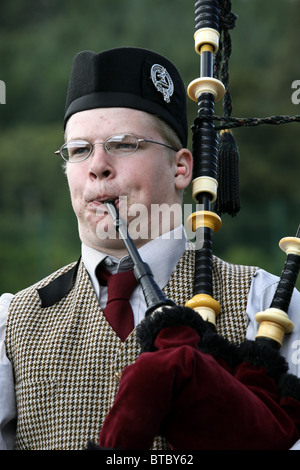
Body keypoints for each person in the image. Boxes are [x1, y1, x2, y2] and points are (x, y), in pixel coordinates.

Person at [0, 47, 299, 450]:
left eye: (123, 144)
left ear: (181, 168)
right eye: (79, 150)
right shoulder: (11, 322)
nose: (98, 165)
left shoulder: (263, 301)